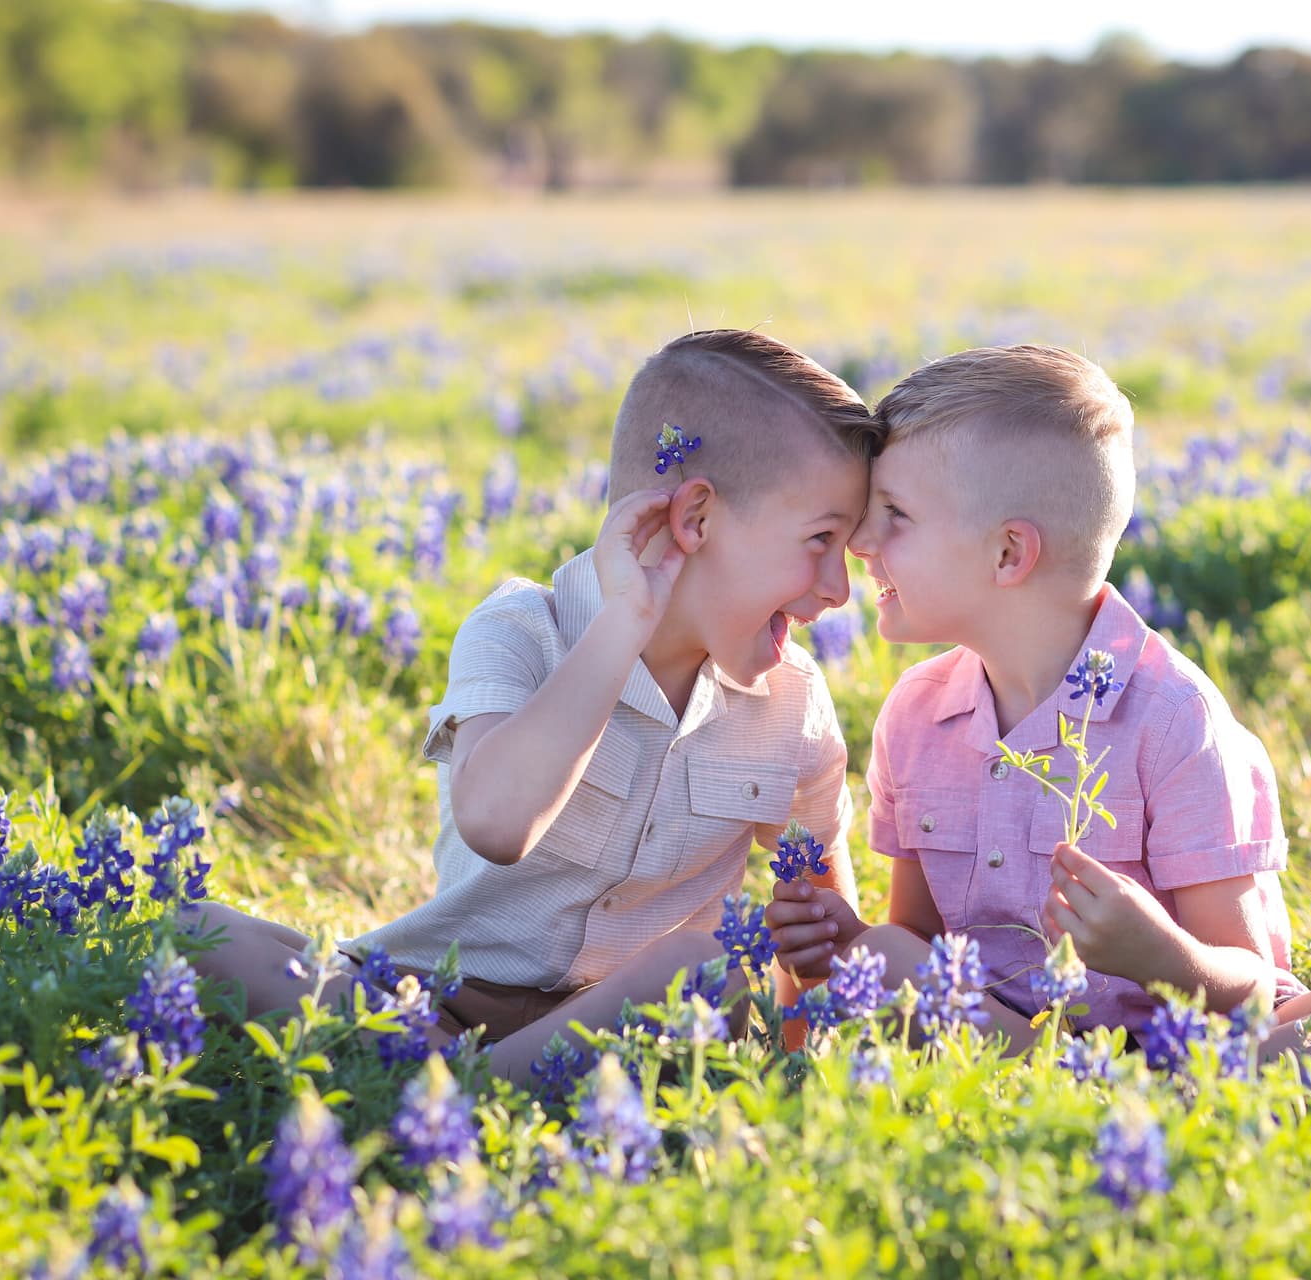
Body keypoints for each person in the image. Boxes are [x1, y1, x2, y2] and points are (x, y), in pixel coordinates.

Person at [182, 329, 882, 1085]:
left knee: (703, 967)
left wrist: (798, 1050)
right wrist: (624, 625)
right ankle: (462, 1087)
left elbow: (815, 936)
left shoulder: (794, 703)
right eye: (820, 541)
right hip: (428, 997)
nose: (839, 589)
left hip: (616, 1021)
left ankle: (432, 1091)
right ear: (697, 520)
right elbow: (498, 824)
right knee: (194, 927)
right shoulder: (521, 628)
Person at [768, 344, 1311, 1062]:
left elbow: (1251, 987)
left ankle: (1171, 1105)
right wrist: (845, 941)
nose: (860, 540)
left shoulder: (1173, 718)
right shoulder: (916, 713)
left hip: (1190, 1041)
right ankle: (1143, 1113)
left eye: (895, 514)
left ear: (1009, 553)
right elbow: (920, 941)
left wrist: (1160, 955)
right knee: (882, 953)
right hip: (1013, 1045)